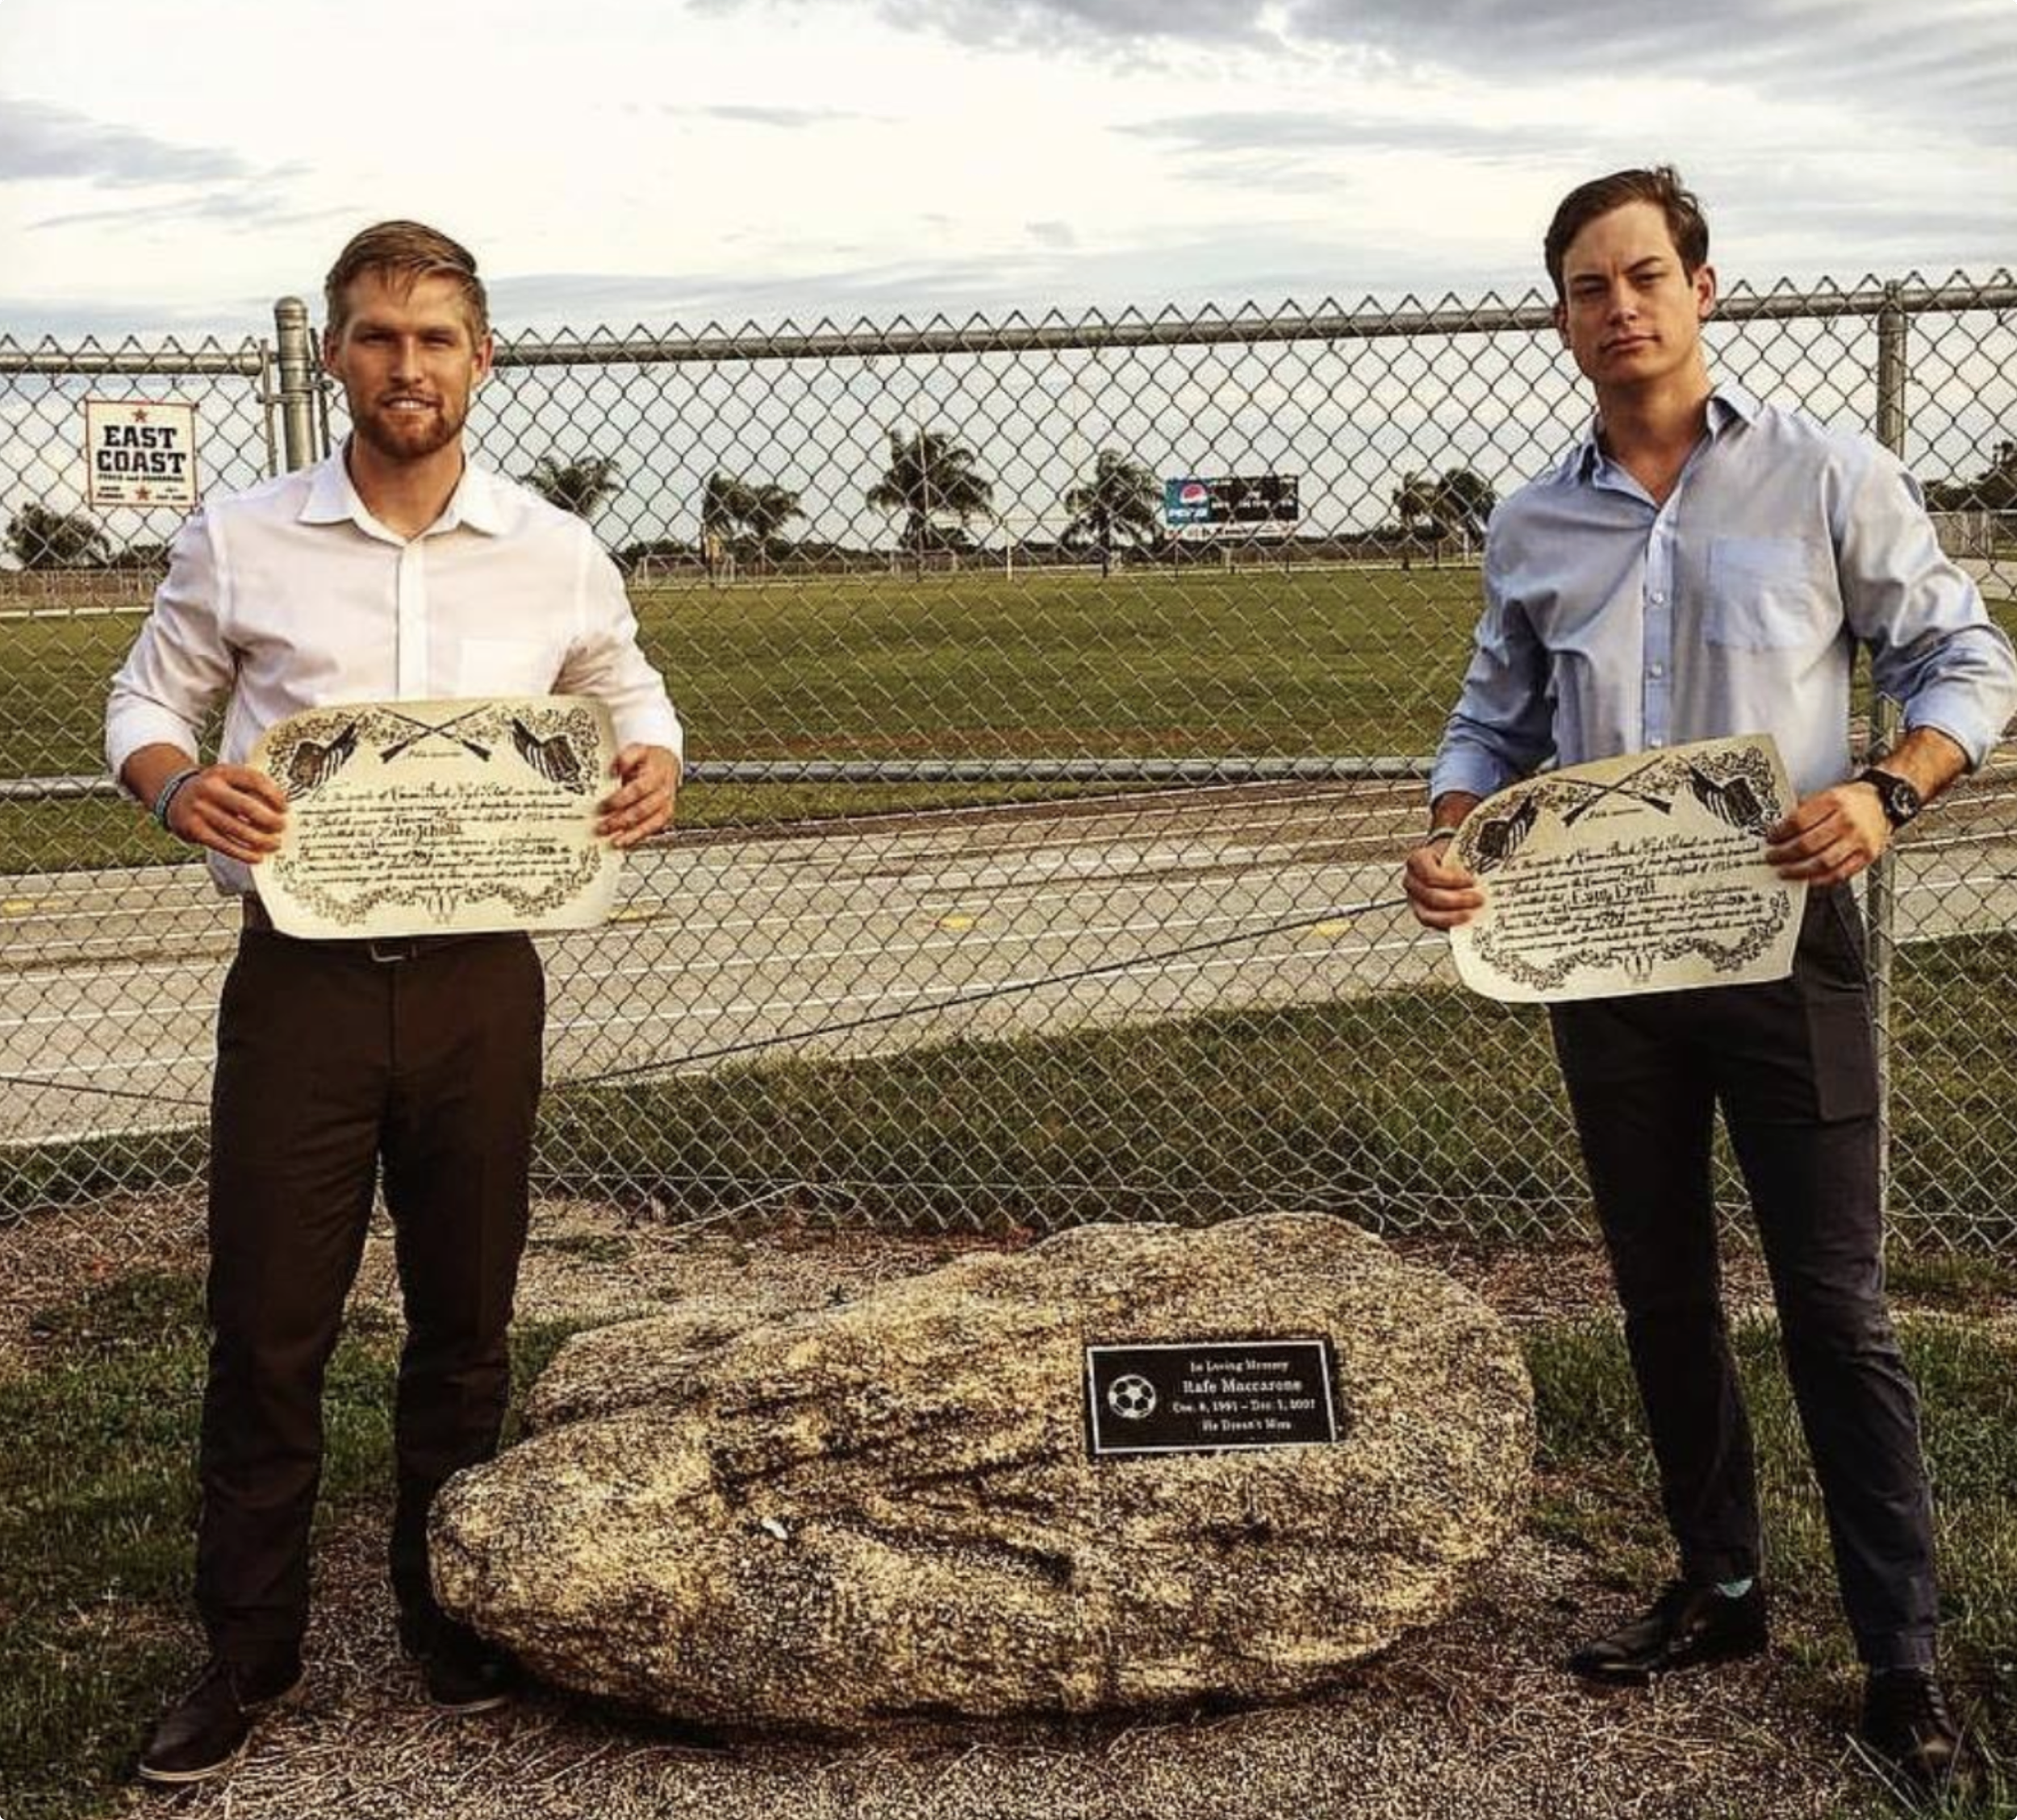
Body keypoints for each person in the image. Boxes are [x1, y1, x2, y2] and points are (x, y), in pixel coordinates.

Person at [1404, 166, 2015, 1796]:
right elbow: (1493, 717)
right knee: (1660, 1286)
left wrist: (1889, 787)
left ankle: (1898, 1662)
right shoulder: (1533, 520)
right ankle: (1718, 1585)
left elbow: (1967, 652)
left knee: (1832, 1306)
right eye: (1586, 286)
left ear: (1701, 288)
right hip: (1597, 948)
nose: (1618, 306)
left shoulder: (1820, 471)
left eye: (1643, 275)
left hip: (1779, 942)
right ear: (1558, 318)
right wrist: (1453, 827)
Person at [106, 221, 683, 1786]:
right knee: (269, 1323)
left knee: (464, 1317)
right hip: (299, 978)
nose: (404, 364)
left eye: (434, 338)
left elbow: (623, 687)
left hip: (481, 976)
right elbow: (147, 699)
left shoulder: (549, 545)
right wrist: (178, 790)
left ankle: (446, 1612)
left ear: (481, 358)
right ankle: (246, 1647)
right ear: (332, 356)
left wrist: (652, 764)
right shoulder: (244, 536)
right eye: (375, 336)